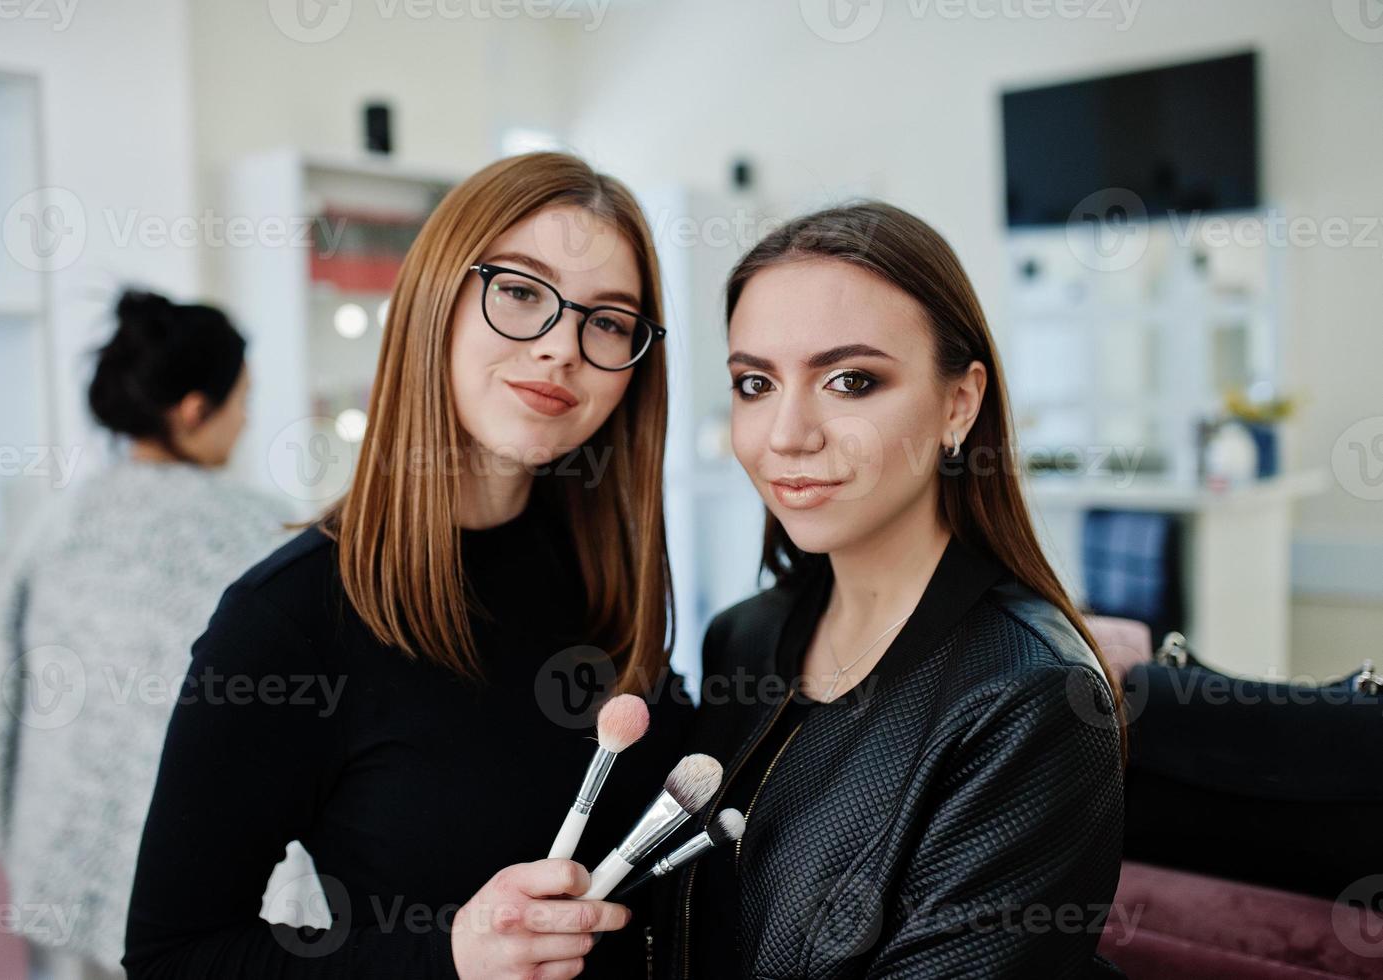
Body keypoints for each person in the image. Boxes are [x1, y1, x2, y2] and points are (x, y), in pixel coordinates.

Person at [122, 152, 696, 980]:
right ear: (435, 301)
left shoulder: (607, 574)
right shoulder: (289, 620)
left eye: (608, 321)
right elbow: (172, 959)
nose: (563, 348)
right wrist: (446, 957)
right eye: (522, 293)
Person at [657, 203, 1127, 979]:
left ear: (958, 404)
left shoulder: (1032, 699)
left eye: (849, 380)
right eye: (754, 382)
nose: (786, 434)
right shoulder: (740, 638)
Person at [0, 289, 295, 978]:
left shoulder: (56, 523)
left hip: (62, 853)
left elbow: (5, 700)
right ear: (193, 410)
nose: (245, 420)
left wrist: (18, 841)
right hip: (199, 889)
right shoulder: (261, 530)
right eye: (241, 399)